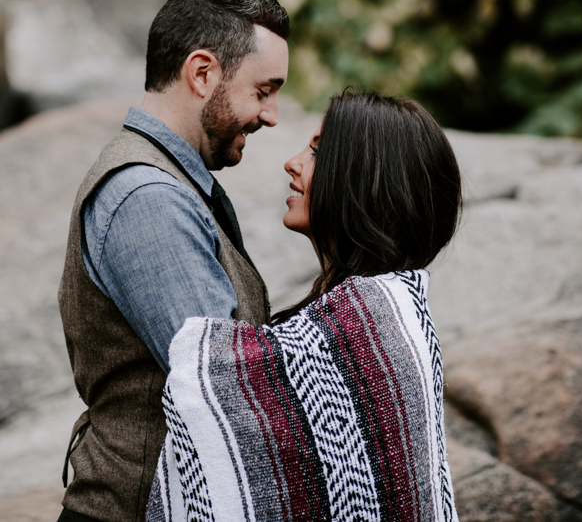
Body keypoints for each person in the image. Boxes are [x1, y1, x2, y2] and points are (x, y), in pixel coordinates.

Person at [147, 91, 463, 522]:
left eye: (316, 151)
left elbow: (205, 380)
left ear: (362, 177)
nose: (292, 162)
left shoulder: (374, 320)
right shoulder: (378, 314)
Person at [57, 0, 290, 522]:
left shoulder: (171, 184)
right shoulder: (148, 198)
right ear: (203, 73)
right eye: (264, 90)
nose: (272, 115)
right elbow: (227, 390)